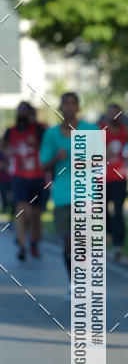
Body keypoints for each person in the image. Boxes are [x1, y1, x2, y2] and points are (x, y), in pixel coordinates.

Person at [39, 92, 98, 294]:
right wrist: (57, 158)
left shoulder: (90, 130)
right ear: (61, 107)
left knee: (82, 240)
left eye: (73, 104)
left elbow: (100, 162)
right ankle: (74, 281)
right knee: (68, 243)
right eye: (66, 104)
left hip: (86, 194)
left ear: (78, 107)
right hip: (63, 194)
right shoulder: (51, 135)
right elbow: (43, 164)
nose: (69, 107)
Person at [3, 101, 47, 260]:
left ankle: (34, 242)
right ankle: (22, 246)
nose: (22, 113)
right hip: (19, 177)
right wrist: (7, 158)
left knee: (35, 214)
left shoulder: (39, 130)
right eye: (19, 110)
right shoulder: (10, 131)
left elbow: (48, 147)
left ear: (30, 113)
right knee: (21, 210)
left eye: (25, 110)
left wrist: (37, 142)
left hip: (38, 178)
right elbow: (3, 146)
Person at [101, 103, 128, 259]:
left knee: (119, 211)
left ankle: (118, 244)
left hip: (120, 177)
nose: (114, 116)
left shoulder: (124, 131)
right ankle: (108, 235)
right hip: (103, 178)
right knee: (103, 211)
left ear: (120, 115)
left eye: (117, 113)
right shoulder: (101, 130)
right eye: (111, 112)